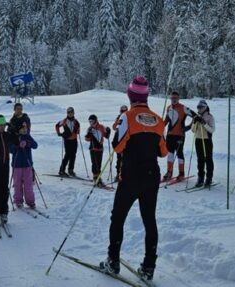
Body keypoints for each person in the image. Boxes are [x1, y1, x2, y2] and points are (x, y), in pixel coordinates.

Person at [102, 76, 167, 280]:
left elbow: (117, 146)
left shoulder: (126, 117)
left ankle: (113, 261)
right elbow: (163, 152)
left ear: (130, 96)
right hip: (151, 176)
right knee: (149, 220)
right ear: (146, 96)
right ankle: (149, 267)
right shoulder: (158, 119)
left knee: (118, 218)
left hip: (130, 176)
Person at [10, 122, 38, 208]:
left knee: (28, 184)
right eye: (23, 128)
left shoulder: (28, 136)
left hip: (27, 164)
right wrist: (17, 146)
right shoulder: (14, 137)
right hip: (17, 165)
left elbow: (35, 145)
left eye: (26, 128)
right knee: (17, 183)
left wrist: (27, 143)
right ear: (19, 130)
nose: (25, 130)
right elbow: (10, 149)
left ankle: (30, 201)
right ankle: (18, 200)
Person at [188, 100, 216, 188]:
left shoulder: (210, 117)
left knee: (208, 159)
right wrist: (194, 122)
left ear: (205, 107)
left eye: (201, 107)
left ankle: (209, 178)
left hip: (206, 140)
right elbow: (193, 130)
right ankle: (200, 178)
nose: (199, 109)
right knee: (200, 160)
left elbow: (212, 130)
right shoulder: (196, 116)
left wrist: (204, 123)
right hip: (198, 140)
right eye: (198, 107)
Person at [163, 92, 189, 182]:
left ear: (178, 99)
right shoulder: (168, 108)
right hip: (170, 135)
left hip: (179, 135)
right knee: (170, 153)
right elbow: (166, 120)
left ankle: (181, 173)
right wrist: (160, 126)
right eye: (172, 98)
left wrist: (188, 127)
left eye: (176, 98)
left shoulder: (183, 108)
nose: (174, 100)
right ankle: (169, 172)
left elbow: (195, 117)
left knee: (179, 153)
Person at [84, 114, 110, 186]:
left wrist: (108, 132)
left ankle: (98, 177)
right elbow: (86, 139)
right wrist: (88, 135)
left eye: (92, 121)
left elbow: (106, 136)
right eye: (89, 121)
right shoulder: (89, 129)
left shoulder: (101, 127)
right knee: (94, 164)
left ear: (95, 120)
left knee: (99, 164)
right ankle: (95, 178)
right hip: (93, 148)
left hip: (100, 148)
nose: (90, 123)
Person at [54, 107, 81, 177]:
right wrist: (59, 133)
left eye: (71, 112)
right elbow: (57, 126)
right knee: (67, 155)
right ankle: (61, 170)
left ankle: (70, 170)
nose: (70, 113)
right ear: (67, 113)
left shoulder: (76, 122)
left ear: (74, 113)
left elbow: (78, 132)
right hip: (67, 140)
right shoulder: (64, 121)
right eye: (68, 112)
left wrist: (78, 131)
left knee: (73, 155)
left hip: (74, 140)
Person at [111, 105, 128, 183]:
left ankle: (125, 174)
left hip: (127, 141)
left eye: (125, 111)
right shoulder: (119, 118)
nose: (123, 112)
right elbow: (114, 127)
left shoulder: (129, 117)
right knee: (119, 159)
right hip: (119, 141)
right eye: (122, 111)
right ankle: (118, 174)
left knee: (126, 159)